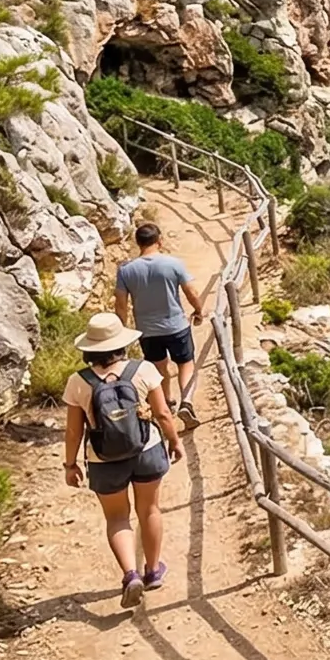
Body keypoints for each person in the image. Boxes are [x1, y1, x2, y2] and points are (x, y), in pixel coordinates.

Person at [63, 312, 185, 607]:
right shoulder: (143, 370)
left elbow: (73, 429)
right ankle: (153, 571)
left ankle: (131, 574)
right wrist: (174, 441)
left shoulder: (79, 382)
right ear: (122, 343)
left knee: (117, 518)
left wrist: (70, 465)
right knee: (150, 510)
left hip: (104, 459)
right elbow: (163, 413)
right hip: (147, 449)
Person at [114, 222, 204, 413]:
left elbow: (120, 304)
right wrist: (198, 310)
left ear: (138, 243)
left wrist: (121, 331)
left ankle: (167, 403)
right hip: (176, 325)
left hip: (146, 331)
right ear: (159, 241)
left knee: (158, 368)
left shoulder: (125, 270)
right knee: (185, 364)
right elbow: (191, 292)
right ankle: (186, 402)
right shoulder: (173, 263)